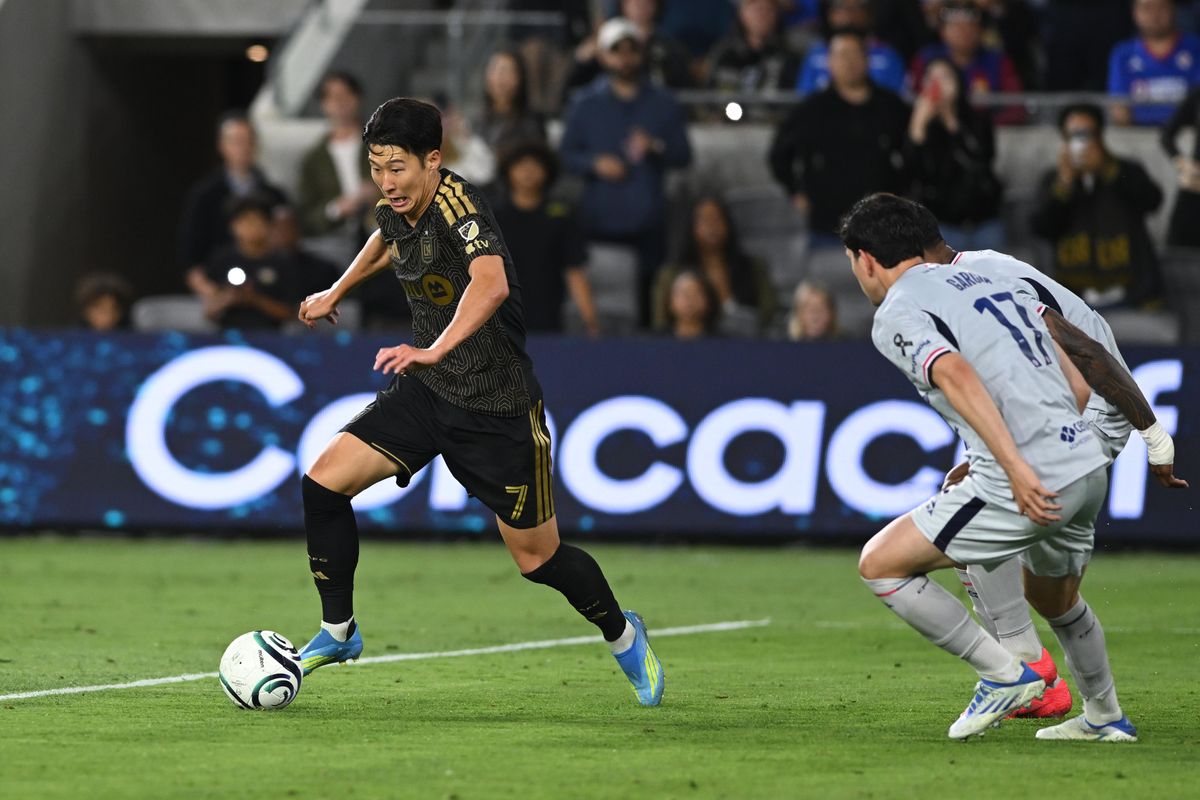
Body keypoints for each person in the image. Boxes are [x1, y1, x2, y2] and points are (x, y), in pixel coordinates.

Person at [293, 98, 664, 705]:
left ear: (434, 160)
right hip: (426, 392)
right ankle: (339, 631)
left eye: (398, 169)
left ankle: (623, 636)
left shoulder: (460, 207)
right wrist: (337, 288)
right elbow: (385, 239)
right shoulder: (397, 207)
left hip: (496, 407)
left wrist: (434, 349)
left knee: (538, 559)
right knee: (323, 484)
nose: (386, 183)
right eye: (376, 168)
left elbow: (489, 283)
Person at [840, 192, 1135, 740]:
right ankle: (1104, 716)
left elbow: (955, 374)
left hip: (1032, 475)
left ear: (865, 259)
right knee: (1057, 599)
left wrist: (1014, 466)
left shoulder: (897, 311)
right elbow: (1075, 376)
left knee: (881, 564)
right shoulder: (986, 279)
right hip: (1086, 459)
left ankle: (1004, 674)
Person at [909, 196, 1187, 721]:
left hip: (1086, 414)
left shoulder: (984, 280)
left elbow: (1079, 364)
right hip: (1076, 416)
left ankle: (1025, 667)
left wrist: (1150, 434)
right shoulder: (970, 276)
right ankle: (1080, 702)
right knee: (1050, 592)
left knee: (974, 519)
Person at [560, 17, 692, 328]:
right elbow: (565, 155)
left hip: (648, 225)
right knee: (605, 306)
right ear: (603, 56)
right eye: (616, 50)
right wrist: (594, 163)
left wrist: (655, 146)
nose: (625, 58)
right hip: (601, 225)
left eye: (631, 49)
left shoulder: (664, 103)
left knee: (650, 308)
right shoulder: (584, 104)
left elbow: (684, 155)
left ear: (641, 54)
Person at [769, 29, 910, 239]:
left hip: (883, 228)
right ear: (829, 62)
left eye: (855, 54)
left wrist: (903, 194)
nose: (849, 62)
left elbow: (911, 153)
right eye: (842, 55)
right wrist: (795, 193)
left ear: (866, 59)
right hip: (827, 225)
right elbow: (779, 155)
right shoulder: (811, 109)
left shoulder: (891, 106)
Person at [1030, 103, 1165, 309]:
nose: (1081, 143)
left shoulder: (1125, 170)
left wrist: (1107, 169)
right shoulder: (1053, 180)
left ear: (1100, 136)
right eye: (1073, 135)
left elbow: (1152, 200)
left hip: (1130, 287)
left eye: (1087, 134)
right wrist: (1064, 184)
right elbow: (1041, 227)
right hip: (1073, 293)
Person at [491, 141, 600, 336]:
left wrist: (591, 323)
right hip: (497, 320)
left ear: (547, 171)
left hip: (547, 318)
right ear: (508, 171)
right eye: (521, 165)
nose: (528, 171)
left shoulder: (562, 217)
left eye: (536, 165)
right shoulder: (492, 217)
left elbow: (575, 271)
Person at [179, 113, 288, 296]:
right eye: (236, 141)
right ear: (221, 146)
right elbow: (190, 257)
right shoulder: (204, 196)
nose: (243, 148)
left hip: (269, 288)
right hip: (219, 285)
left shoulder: (275, 195)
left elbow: (286, 248)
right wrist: (214, 295)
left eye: (248, 141)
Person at [907, 57, 1005, 250]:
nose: (937, 85)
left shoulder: (978, 121)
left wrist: (951, 121)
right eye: (931, 79)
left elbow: (981, 160)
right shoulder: (920, 125)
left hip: (983, 219)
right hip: (941, 222)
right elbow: (912, 172)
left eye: (944, 77)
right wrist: (917, 128)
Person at [653, 195, 776, 336]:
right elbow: (661, 320)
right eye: (705, 220)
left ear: (728, 224)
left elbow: (768, 311)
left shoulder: (753, 267)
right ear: (692, 227)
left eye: (717, 219)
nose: (712, 226)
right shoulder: (672, 274)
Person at [200, 196, 319, 330]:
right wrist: (229, 298)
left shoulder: (283, 262)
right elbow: (209, 310)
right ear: (233, 226)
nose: (249, 228)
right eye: (243, 222)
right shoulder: (222, 259)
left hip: (270, 338)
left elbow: (291, 312)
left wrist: (255, 300)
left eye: (255, 221)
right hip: (228, 338)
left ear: (269, 225)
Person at [296, 72, 378, 244]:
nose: (340, 102)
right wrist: (335, 209)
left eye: (345, 94)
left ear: (357, 99)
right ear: (323, 104)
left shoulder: (381, 144)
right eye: (332, 96)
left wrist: (378, 191)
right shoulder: (313, 159)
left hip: (380, 229)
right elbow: (306, 216)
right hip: (335, 236)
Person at [909, 1, 1024, 123]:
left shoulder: (998, 61)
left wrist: (979, 126)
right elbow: (912, 100)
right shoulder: (926, 59)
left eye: (970, 26)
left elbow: (1016, 108)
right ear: (943, 32)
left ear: (980, 31)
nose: (964, 33)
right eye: (957, 27)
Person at [562, 0, 694, 103]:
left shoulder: (669, 47)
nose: (640, 7)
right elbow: (572, 87)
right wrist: (581, 60)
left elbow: (685, 89)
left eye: (647, 2)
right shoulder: (604, 39)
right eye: (634, 1)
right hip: (608, 108)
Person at [1108, 0, 1200, 126]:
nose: (1154, 14)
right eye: (1147, 8)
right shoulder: (1123, 54)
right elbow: (1119, 108)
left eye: (1161, 7)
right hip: (1137, 138)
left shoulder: (1195, 48)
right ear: (1135, 13)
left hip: (1189, 135)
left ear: (1174, 10)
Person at [794, 0, 907, 96]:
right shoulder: (814, 55)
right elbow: (804, 97)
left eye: (856, 8)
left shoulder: (888, 56)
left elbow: (896, 101)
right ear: (830, 14)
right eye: (841, 7)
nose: (848, 15)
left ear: (868, 14)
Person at [706, 0, 801, 92]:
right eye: (756, 9)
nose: (761, 15)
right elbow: (711, 96)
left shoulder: (789, 54)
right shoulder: (725, 53)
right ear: (742, 13)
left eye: (768, 9)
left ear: (777, 14)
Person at [479, 49, 546, 155]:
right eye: (494, 70)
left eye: (506, 72)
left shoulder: (531, 123)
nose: (499, 78)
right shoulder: (478, 118)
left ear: (520, 79)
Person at [1161, 84, 1200, 246]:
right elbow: (1167, 136)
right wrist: (1184, 165)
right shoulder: (1197, 94)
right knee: (1178, 248)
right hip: (1195, 186)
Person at [662, 270, 721, 339]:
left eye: (696, 293)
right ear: (669, 301)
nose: (689, 300)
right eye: (683, 293)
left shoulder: (724, 342)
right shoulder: (655, 341)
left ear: (708, 300)